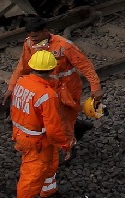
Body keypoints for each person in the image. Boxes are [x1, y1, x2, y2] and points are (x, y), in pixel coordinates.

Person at [5, 17, 102, 149]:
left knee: (63, 120)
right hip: (46, 89)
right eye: (31, 37)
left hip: (67, 89)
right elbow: (23, 67)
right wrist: (11, 88)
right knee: (52, 117)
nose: (34, 40)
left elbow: (85, 66)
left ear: (45, 31)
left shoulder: (64, 45)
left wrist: (95, 87)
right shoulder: (29, 44)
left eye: (36, 36)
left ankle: (69, 148)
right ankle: (78, 127)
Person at [10, 50, 74, 198]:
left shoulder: (22, 82)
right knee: (31, 177)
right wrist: (65, 145)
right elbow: (53, 128)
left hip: (25, 134)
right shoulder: (46, 95)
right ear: (52, 69)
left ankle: (48, 191)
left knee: (50, 163)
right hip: (36, 141)